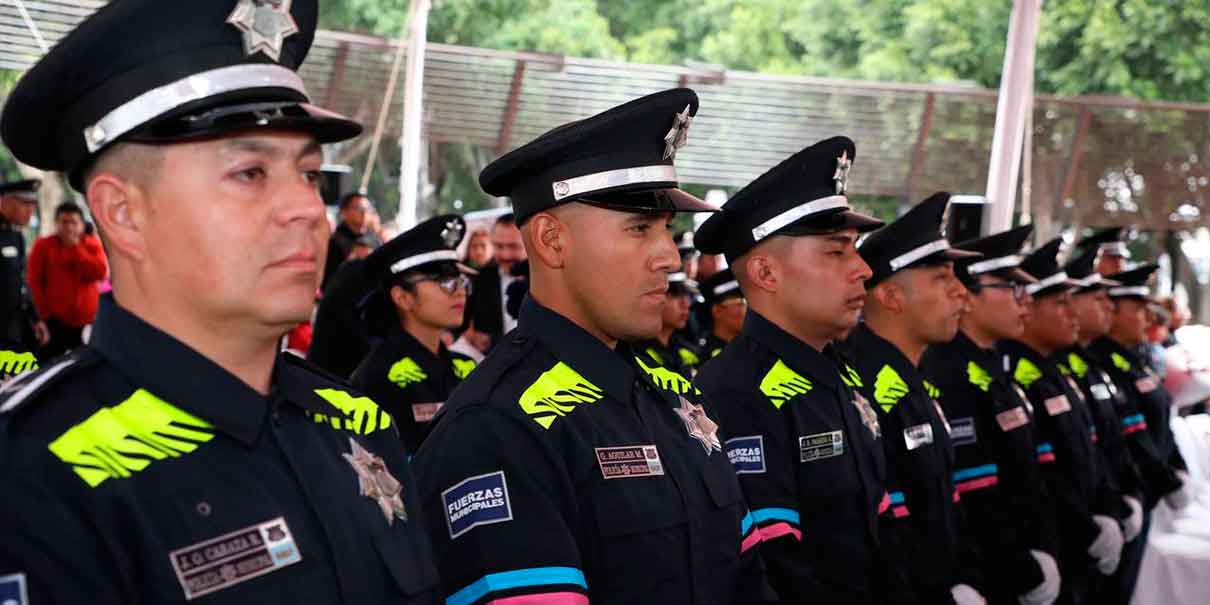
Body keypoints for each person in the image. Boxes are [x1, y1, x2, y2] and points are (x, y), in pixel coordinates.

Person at [0, 2, 439, 603]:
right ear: (124, 213)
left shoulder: (352, 422)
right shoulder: (31, 475)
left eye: (309, 175)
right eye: (250, 173)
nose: (308, 210)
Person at [412, 88, 773, 605]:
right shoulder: (497, 430)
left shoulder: (673, 400)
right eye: (639, 228)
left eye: (666, 229)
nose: (670, 257)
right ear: (552, 240)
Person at [694, 137, 919, 604]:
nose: (861, 269)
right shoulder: (736, 392)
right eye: (836, 251)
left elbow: (880, 529)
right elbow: (773, 568)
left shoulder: (838, 374)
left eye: (855, 249)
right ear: (766, 273)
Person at [848, 192, 985, 605]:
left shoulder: (911, 378)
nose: (962, 292)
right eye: (943, 279)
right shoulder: (867, 387)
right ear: (890, 297)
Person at [920, 225, 1063, 605]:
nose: (1025, 303)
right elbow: (975, 497)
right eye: (1012, 289)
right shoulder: (951, 374)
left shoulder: (992, 368)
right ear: (969, 297)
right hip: (991, 576)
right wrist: (1020, 567)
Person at [999, 238, 1124, 605]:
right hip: (1045, 549)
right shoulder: (1018, 373)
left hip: (1072, 544)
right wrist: (1083, 530)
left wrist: (1110, 508)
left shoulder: (1055, 369)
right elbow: (1036, 477)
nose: (1072, 314)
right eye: (1060, 303)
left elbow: (1091, 450)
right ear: (1030, 309)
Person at [1057, 248, 1150, 605]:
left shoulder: (1089, 365)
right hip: (1067, 539)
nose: (1108, 308)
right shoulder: (1036, 371)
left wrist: (1125, 499)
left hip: (1101, 520)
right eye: (1098, 299)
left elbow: (1104, 447)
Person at [349, 214, 478, 453]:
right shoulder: (378, 377)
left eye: (461, 281)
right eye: (444, 282)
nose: (460, 292)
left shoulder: (467, 367)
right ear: (403, 297)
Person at [1088, 265, 1193, 511]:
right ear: (1113, 312)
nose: (1147, 318)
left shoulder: (1135, 359)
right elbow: (1129, 433)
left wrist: (1177, 467)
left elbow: (1162, 419)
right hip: (1124, 493)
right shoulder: (1101, 360)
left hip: (1146, 490)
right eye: (1138, 310)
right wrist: (1162, 480)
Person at [28, 202, 109, 359]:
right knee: (50, 365)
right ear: (56, 224)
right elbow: (35, 282)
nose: (69, 227)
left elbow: (100, 273)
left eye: (74, 222)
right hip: (54, 323)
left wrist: (75, 248)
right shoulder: (43, 246)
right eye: (64, 222)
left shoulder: (91, 244)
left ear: (82, 224)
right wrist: (44, 316)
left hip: (87, 322)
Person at [0, 179, 43, 379]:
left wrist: (35, 319)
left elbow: (21, 283)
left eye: (32, 206)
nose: (30, 212)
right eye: (24, 204)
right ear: (4, 202)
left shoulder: (17, 237)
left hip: (16, 332)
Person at [465, 213, 527, 345]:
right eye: (499, 246)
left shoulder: (549, 278)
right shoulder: (479, 280)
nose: (505, 255)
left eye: (513, 246)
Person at [634, 271, 703, 378]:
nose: (685, 304)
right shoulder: (634, 352)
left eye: (686, 295)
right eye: (674, 295)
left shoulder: (690, 350)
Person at [321, 192, 373, 290]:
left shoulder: (374, 239)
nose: (364, 213)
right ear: (344, 212)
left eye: (367, 209)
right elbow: (327, 282)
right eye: (359, 208)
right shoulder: (334, 243)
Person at [696, 267, 745, 359]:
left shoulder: (750, 347)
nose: (747, 309)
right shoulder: (708, 356)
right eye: (740, 303)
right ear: (717, 311)